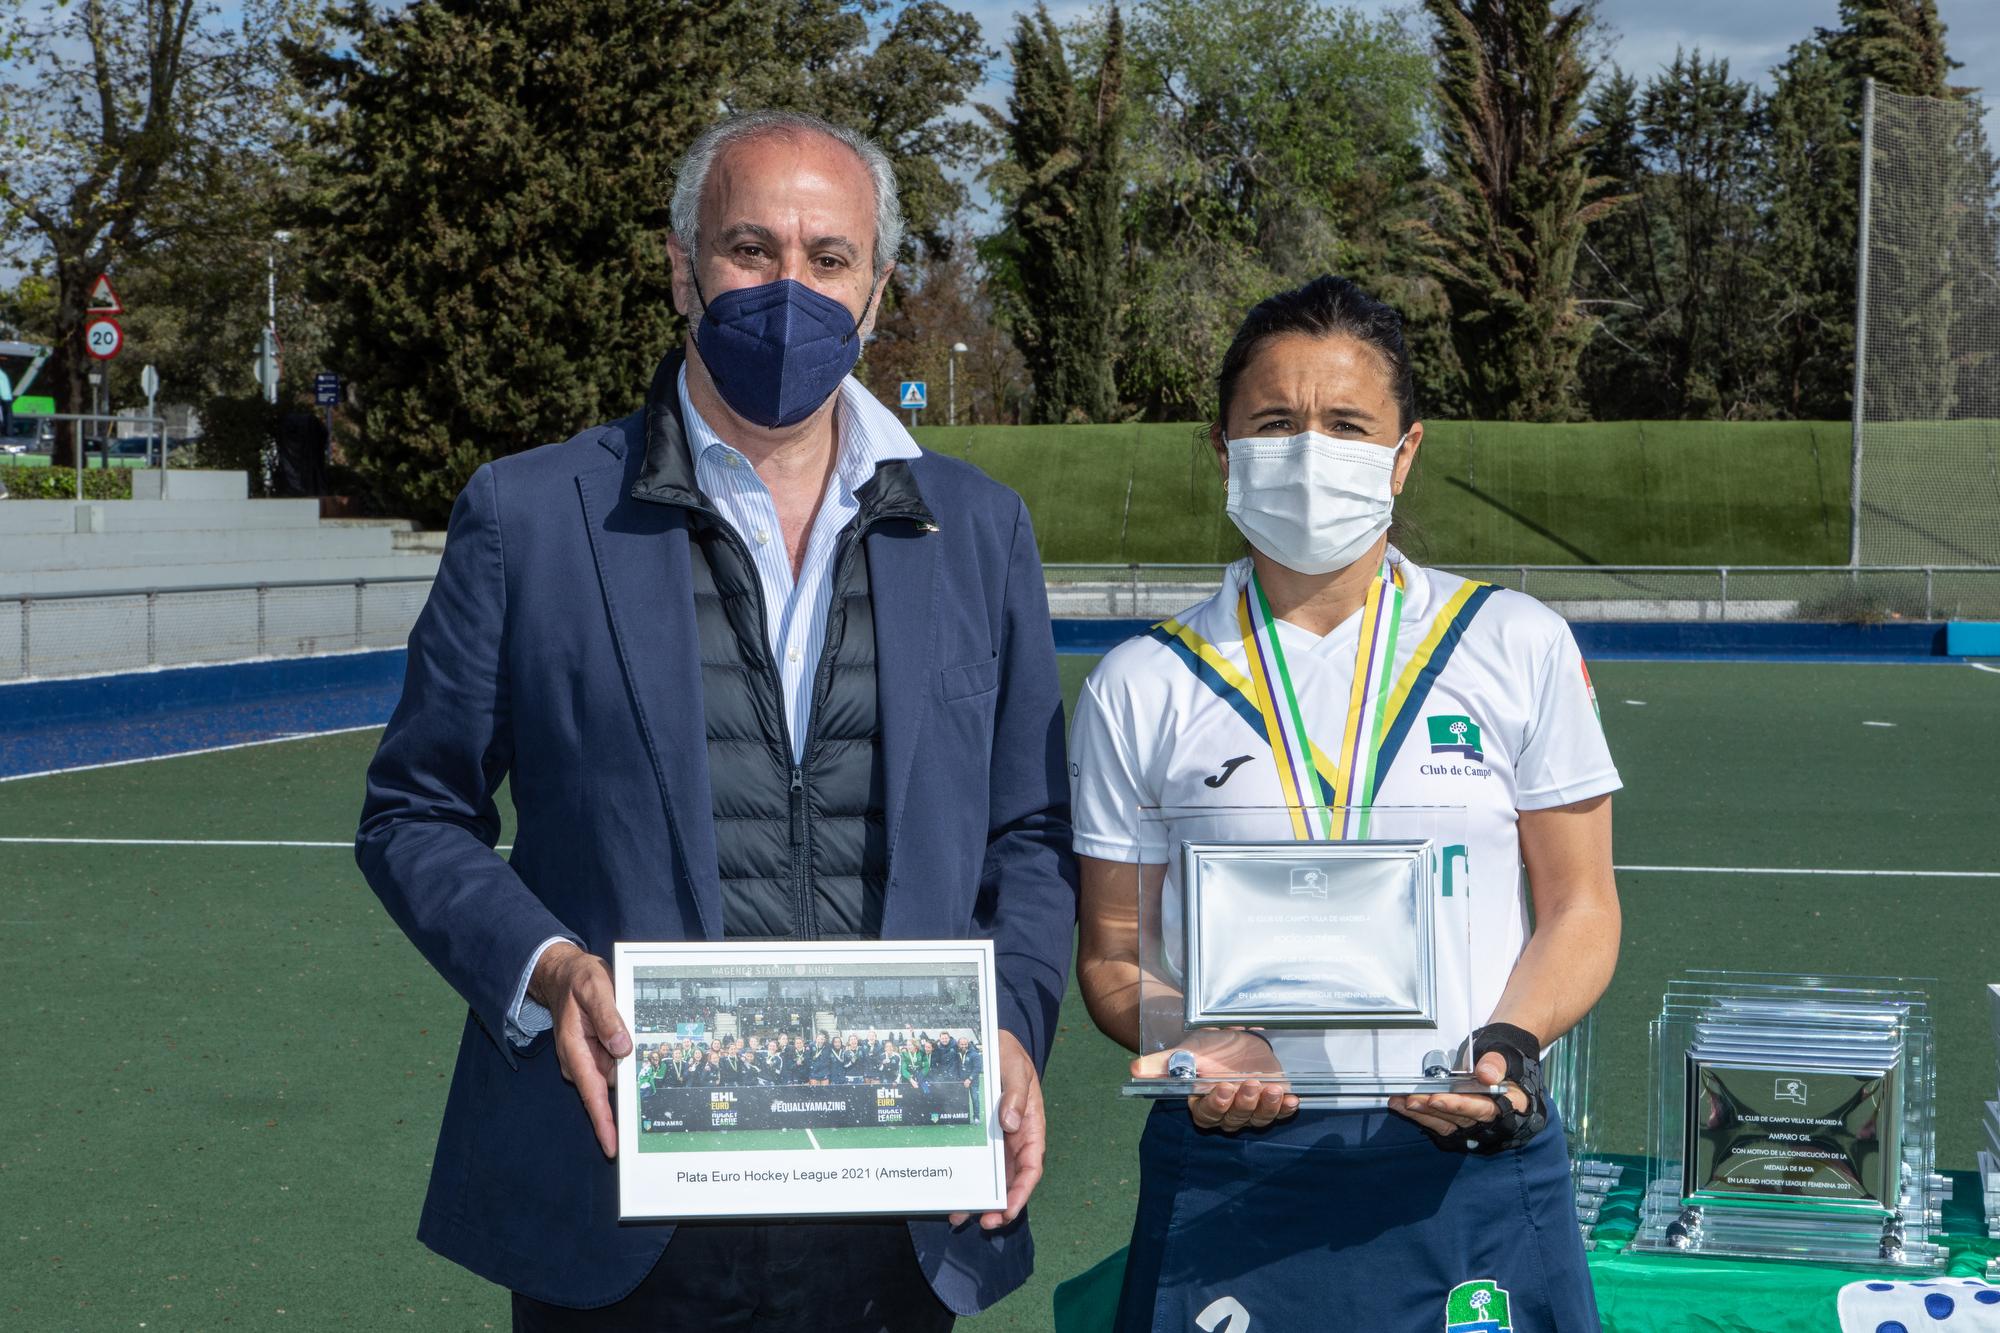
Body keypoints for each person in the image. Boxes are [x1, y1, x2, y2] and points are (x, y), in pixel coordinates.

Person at [356, 108, 1077, 1333]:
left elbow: (1028, 834)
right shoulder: (529, 515)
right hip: (623, 1202)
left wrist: (1006, 1022)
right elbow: (414, 813)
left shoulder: (979, 529)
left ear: (878, 284)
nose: (787, 286)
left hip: (893, 1208)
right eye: (750, 248)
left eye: (827, 256)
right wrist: (548, 967)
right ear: (681, 269)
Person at [1070, 275, 1621, 1332]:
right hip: (1231, 1167)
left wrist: (1506, 1041)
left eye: (1345, 423)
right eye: (1275, 423)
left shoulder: (1513, 641)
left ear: (1402, 452)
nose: (1310, 450)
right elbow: (1111, 951)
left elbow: (1579, 908)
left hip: (1466, 1156)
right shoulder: (1140, 681)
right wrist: (1192, 1039)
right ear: (1224, 453)